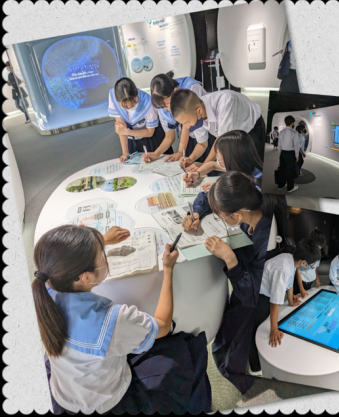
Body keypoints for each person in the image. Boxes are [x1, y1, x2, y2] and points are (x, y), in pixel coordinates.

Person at [34, 225, 211, 414]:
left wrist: (102, 240)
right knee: (185, 350)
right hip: (106, 404)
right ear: (85, 277)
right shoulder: (114, 320)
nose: (104, 257)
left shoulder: (47, 287)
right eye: (101, 255)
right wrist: (168, 270)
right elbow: (162, 324)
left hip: (64, 393)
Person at [183, 172, 274, 394]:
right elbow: (210, 197)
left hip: (256, 300)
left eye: (222, 217)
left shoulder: (268, 242)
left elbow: (251, 294)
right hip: (247, 278)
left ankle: (246, 378)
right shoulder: (250, 197)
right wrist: (196, 212)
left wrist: (230, 259)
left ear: (237, 215)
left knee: (233, 342)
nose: (220, 219)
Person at [248, 239, 321, 374]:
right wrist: (274, 330)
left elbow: (289, 282)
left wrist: (291, 299)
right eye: (311, 266)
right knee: (254, 330)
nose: (311, 268)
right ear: (303, 262)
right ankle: (255, 368)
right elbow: (275, 301)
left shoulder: (291, 259)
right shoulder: (283, 269)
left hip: (267, 291)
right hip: (258, 294)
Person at [170, 89, 266, 171]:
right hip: (231, 135)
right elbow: (202, 144)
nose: (187, 127)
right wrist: (190, 159)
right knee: (238, 167)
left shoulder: (226, 101)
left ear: (199, 110)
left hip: (251, 128)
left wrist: (204, 166)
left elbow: (221, 139)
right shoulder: (196, 114)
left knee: (255, 167)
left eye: (187, 122)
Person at [146, 71, 215, 163]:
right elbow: (169, 136)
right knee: (189, 164)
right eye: (163, 106)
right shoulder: (161, 106)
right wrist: (156, 154)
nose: (167, 107)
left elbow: (188, 122)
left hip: (207, 133)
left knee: (208, 164)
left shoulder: (191, 88)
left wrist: (180, 151)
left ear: (175, 91)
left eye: (167, 102)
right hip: (190, 139)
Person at [108, 78, 173, 163]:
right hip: (131, 139)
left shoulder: (147, 102)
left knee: (155, 162)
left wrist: (127, 131)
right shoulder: (113, 96)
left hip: (151, 138)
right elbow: (121, 127)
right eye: (125, 106)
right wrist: (125, 152)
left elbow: (150, 132)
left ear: (137, 93)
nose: (129, 107)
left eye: (133, 103)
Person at [182, 130, 263, 194]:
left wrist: (220, 187)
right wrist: (197, 174)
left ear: (228, 158)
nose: (217, 159)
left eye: (217, 156)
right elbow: (212, 165)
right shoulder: (242, 165)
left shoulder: (255, 184)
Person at [293, 229, 326, 297]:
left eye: (320, 247)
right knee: (298, 297)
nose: (319, 249)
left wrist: (317, 279)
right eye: (318, 247)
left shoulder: (317, 254)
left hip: (310, 281)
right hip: (301, 281)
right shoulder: (304, 253)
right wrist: (301, 288)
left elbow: (315, 267)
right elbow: (297, 271)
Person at [276, 115, 300, 193]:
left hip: (283, 153)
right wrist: (297, 155)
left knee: (282, 169)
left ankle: (281, 185)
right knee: (290, 170)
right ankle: (290, 187)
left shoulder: (281, 132)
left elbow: (279, 144)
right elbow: (296, 145)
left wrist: (280, 153)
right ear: (292, 123)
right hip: (290, 153)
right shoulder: (294, 133)